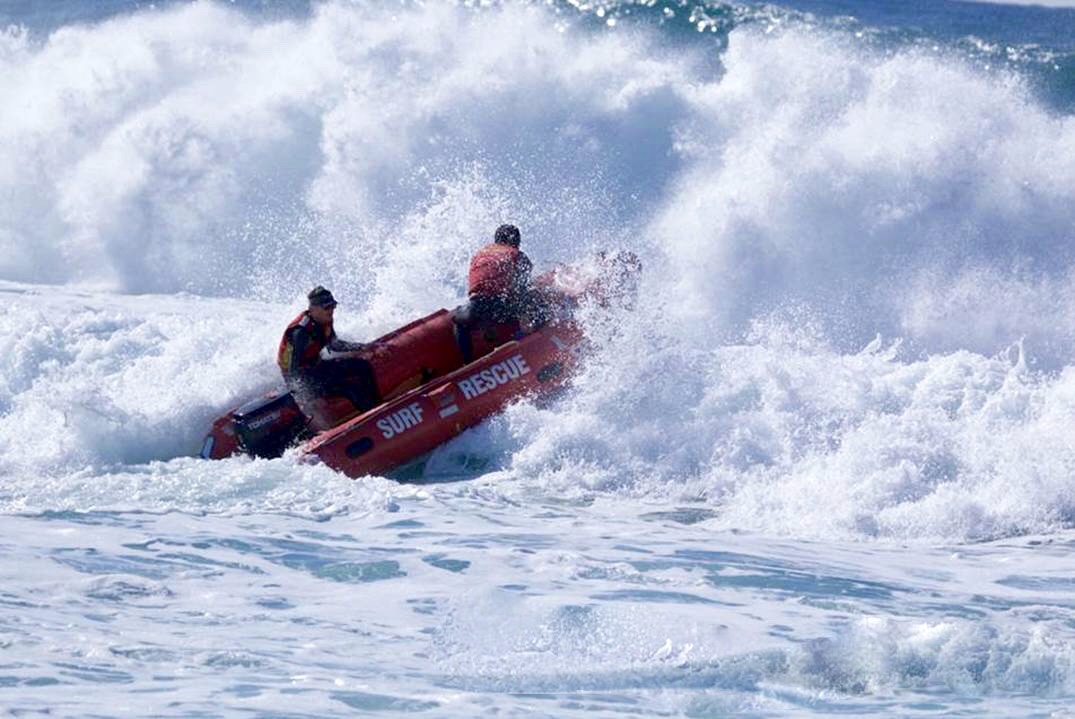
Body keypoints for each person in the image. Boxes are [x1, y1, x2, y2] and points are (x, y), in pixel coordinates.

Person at [277, 286, 378, 428]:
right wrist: (305, 397)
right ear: (313, 309)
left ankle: (378, 405)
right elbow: (292, 372)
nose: (331, 310)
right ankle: (374, 420)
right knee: (349, 387)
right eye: (327, 307)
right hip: (305, 378)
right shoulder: (300, 333)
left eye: (333, 306)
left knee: (363, 366)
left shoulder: (325, 319)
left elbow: (334, 345)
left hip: (317, 368)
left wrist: (361, 347)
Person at [453, 224, 547, 362]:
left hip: (475, 306)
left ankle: (466, 361)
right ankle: (533, 339)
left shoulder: (480, 254)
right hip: (498, 306)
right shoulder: (516, 255)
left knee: (459, 322)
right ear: (516, 241)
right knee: (535, 302)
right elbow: (524, 287)